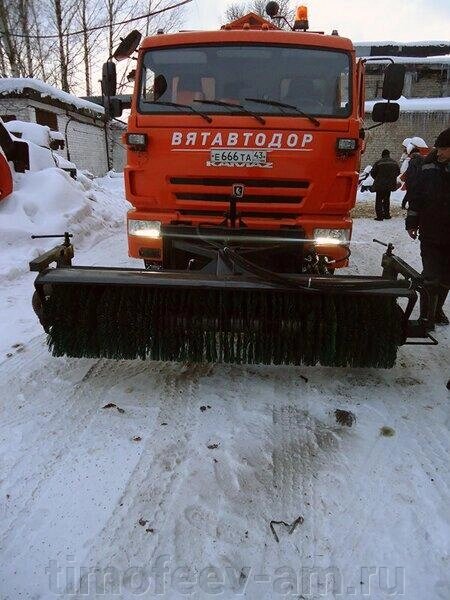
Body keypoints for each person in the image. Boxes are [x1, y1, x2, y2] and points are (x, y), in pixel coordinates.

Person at [406, 127, 450, 328]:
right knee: (431, 275)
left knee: (446, 277)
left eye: (443, 149)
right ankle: (427, 318)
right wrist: (412, 222)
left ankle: (436, 309)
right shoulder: (428, 166)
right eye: (438, 148)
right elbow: (416, 195)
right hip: (431, 231)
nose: (439, 152)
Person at [370, 149, 400, 220]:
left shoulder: (378, 162)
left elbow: (373, 172)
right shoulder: (394, 163)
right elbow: (398, 172)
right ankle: (387, 215)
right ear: (389, 154)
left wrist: (377, 178)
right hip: (389, 185)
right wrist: (391, 178)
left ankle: (379, 216)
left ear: (382, 155)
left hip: (380, 185)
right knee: (387, 199)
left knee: (379, 200)